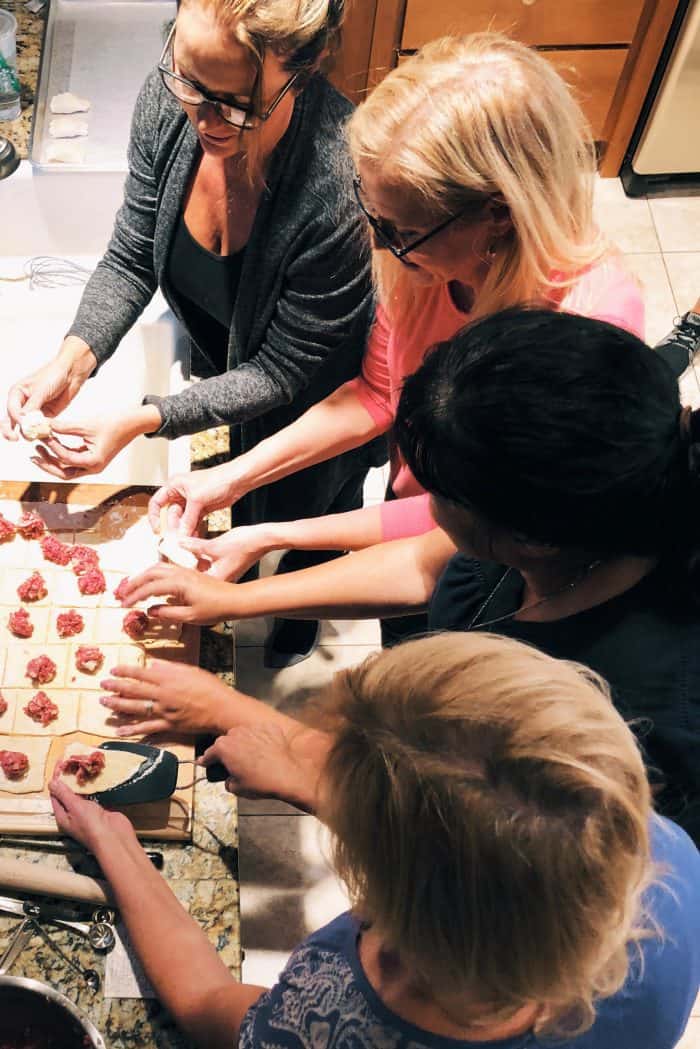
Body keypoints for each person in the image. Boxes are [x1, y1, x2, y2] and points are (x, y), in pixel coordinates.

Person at [113, 309, 700, 842]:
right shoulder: (572, 528)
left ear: (529, 536)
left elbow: (464, 842)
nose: (420, 502)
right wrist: (230, 599)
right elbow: (426, 563)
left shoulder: (632, 719)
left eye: (438, 494)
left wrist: (258, 728)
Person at [142, 32, 645, 643]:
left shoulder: (579, 340)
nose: (380, 246)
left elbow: (443, 555)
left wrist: (264, 553)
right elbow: (378, 395)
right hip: (434, 521)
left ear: (498, 214)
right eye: (373, 217)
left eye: (400, 231)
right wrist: (228, 480)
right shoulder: (427, 266)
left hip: (502, 596)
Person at [51, 633, 700, 1048]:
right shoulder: (657, 851)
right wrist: (316, 779)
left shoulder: (326, 1020)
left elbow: (210, 1006)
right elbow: (484, 836)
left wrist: (117, 845)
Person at [1, 0, 385, 667]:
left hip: (315, 403)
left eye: (231, 103)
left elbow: (281, 373)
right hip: (231, 364)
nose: (200, 116)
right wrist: (74, 355)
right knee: (229, 499)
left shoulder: (339, 184)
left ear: (301, 66)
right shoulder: (170, 95)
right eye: (187, 82)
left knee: (302, 512)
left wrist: (149, 417)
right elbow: (131, 252)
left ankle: (298, 614)